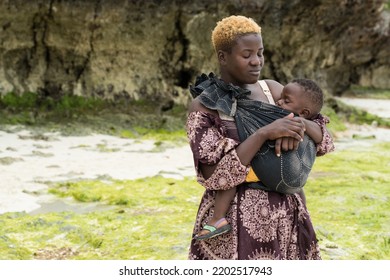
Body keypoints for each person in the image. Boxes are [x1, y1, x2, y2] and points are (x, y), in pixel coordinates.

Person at [186, 15, 334, 259]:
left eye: (260, 53)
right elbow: (213, 174)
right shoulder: (205, 107)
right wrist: (266, 132)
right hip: (233, 222)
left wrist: (297, 125)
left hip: (287, 214)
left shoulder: (273, 91)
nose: (256, 62)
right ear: (223, 57)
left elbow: (323, 139)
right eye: (247, 55)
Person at [193, 78, 325, 240]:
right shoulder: (279, 112)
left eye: (285, 101)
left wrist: (300, 124)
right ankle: (218, 218)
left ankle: (217, 218)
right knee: (231, 174)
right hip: (267, 172)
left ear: (304, 113)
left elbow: (324, 137)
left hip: (275, 174)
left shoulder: (295, 116)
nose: (278, 102)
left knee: (233, 177)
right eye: (281, 98)